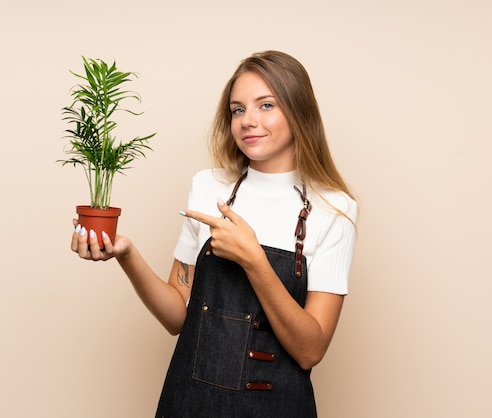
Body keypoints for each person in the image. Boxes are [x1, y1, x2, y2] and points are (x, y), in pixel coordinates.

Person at [71, 50, 358, 417]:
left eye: (266, 105)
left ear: (299, 111)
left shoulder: (335, 208)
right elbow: (177, 316)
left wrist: (254, 260)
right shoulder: (208, 187)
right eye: (238, 110)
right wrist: (126, 254)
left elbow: (310, 350)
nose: (248, 121)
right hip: (189, 404)